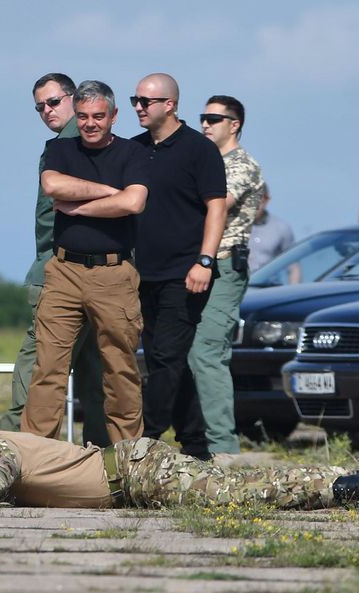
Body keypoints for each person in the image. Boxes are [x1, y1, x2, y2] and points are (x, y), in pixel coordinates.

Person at [19, 80, 150, 443]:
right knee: (48, 368)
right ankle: (35, 454)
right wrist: (111, 192)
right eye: (83, 116)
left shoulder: (133, 154)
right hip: (63, 272)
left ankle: (128, 456)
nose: (90, 123)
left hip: (114, 273)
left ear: (113, 116)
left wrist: (79, 207)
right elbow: (53, 186)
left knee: (119, 368)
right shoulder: (59, 149)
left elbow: (133, 203)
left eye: (98, 116)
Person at [0, 415, 359, 510]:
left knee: (239, 493)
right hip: (133, 469)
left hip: (136, 473)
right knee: (247, 481)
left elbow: (2, 468)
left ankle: (349, 490)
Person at [0, 73, 109, 446]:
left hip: (63, 272)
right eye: (39, 106)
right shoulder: (72, 144)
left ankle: (13, 451)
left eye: (54, 102)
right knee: (99, 376)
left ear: (74, 98)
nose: (46, 111)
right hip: (89, 272)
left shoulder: (71, 144)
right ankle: (105, 462)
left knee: (39, 374)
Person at [129, 73, 227, 461]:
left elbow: (216, 207)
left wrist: (205, 260)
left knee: (167, 358)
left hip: (186, 273)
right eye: (134, 99)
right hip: (141, 273)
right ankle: (196, 442)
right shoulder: (134, 149)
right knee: (163, 358)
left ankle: (146, 440)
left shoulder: (198, 150)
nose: (138, 106)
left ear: (169, 105)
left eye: (145, 101)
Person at [190, 96, 264, 457]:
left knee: (207, 353)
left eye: (214, 118)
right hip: (194, 265)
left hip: (223, 266)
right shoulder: (205, 161)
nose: (205, 124)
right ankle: (195, 441)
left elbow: (217, 204)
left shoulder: (242, 165)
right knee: (182, 352)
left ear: (234, 124)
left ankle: (223, 448)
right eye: (203, 117)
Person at [247, 184, 294, 274]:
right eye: (249, 200)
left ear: (266, 199)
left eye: (257, 199)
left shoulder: (281, 228)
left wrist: (294, 287)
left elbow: (292, 264)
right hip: (238, 283)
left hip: (269, 284)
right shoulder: (233, 227)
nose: (253, 205)